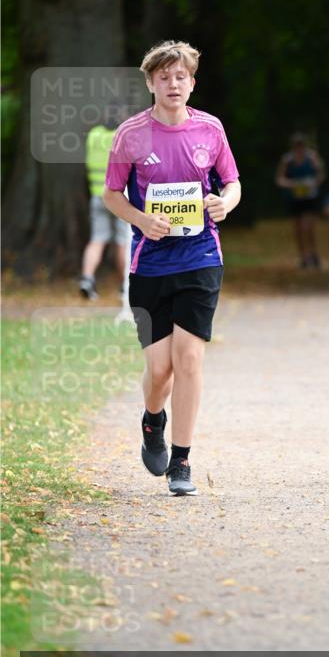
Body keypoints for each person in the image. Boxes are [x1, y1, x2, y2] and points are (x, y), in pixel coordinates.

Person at [103, 40, 241, 495]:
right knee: (159, 370)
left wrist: (225, 203)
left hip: (201, 257)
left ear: (192, 82)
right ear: (151, 83)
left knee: (189, 359)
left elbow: (233, 182)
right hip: (151, 263)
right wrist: (142, 220)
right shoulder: (130, 135)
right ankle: (152, 420)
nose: (173, 83)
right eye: (164, 77)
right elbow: (112, 195)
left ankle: (181, 462)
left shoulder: (210, 129)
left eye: (181, 76)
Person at [79, 119, 130, 300]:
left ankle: (86, 279)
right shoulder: (122, 135)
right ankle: (126, 286)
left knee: (97, 239)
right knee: (122, 241)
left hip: (97, 194)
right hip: (118, 197)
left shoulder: (94, 135)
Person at [275, 132, 325, 268]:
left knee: (309, 227)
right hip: (295, 198)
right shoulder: (287, 160)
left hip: (310, 198)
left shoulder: (312, 157)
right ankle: (304, 256)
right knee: (298, 229)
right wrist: (292, 184)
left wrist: (312, 183)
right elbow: (279, 179)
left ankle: (314, 254)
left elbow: (321, 175)